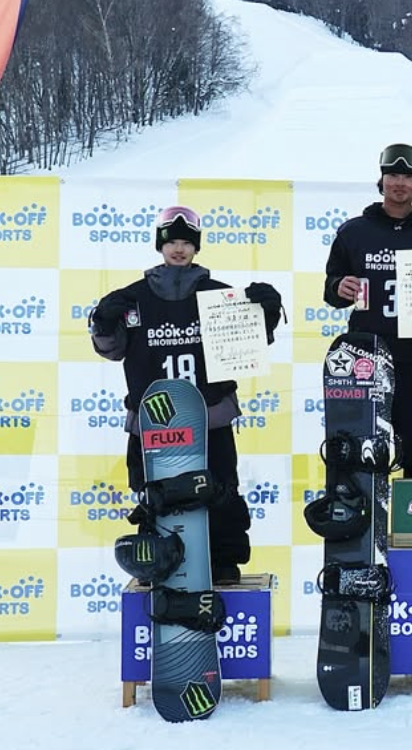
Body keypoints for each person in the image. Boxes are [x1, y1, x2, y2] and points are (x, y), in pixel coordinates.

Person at [89, 205, 284, 585]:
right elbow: (110, 350)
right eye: (172, 242)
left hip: (208, 415)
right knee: (152, 492)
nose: (179, 249)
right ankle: (155, 562)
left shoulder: (219, 297)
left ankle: (224, 561)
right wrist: (103, 321)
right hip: (153, 421)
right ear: (160, 246)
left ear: (196, 247)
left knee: (221, 488)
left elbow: (251, 344)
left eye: (186, 242)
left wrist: (268, 313)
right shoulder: (132, 298)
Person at [323, 143, 412, 478]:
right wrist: (338, 287)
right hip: (365, 359)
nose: (400, 182)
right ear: (382, 178)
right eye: (393, 174)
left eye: (408, 175)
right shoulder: (354, 231)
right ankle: (359, 529)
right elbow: (332, 290)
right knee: (360, 454)